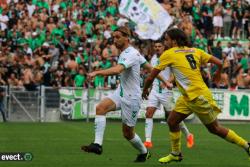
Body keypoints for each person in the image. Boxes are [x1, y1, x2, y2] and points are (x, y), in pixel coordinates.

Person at [142, 28, 250, 164]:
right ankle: (175, 153)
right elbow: (219, 63)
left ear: (174, 41)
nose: (165, 42)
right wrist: (217, 74)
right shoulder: (195, 51)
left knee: (215, 129)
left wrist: (145, 89)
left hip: (198, 97)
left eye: (167, 39)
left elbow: (151, 75)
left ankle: (246, 145)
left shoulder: (169, 53)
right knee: (172, 121)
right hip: (188, 96)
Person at [81, 26, 168, 162]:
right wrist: (166, 81)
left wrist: (97, 72)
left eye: (118, 37)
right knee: (100, 108)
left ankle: (144, 152)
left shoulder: (131, 54)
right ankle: (97, 145)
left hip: (132, 98)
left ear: (127, 38)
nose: (115, 40)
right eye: (113, 37)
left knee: (128, 134)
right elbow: (151, 68)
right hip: (121, 92)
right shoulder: (131, 53)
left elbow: (118, 70)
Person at [144, 40, 194, 149]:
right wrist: (151, 87)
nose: (157, 48)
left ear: (163, 47)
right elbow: (153, 74)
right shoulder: (153, 58)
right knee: (148, 113)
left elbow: (176, 74)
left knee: (173, 117)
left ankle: (189, 135)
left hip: (166, 91)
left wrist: (168, 82)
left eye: (159, 46)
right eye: (155, 46)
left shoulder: (169, 57)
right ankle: (148, 141)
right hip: (155, 91)